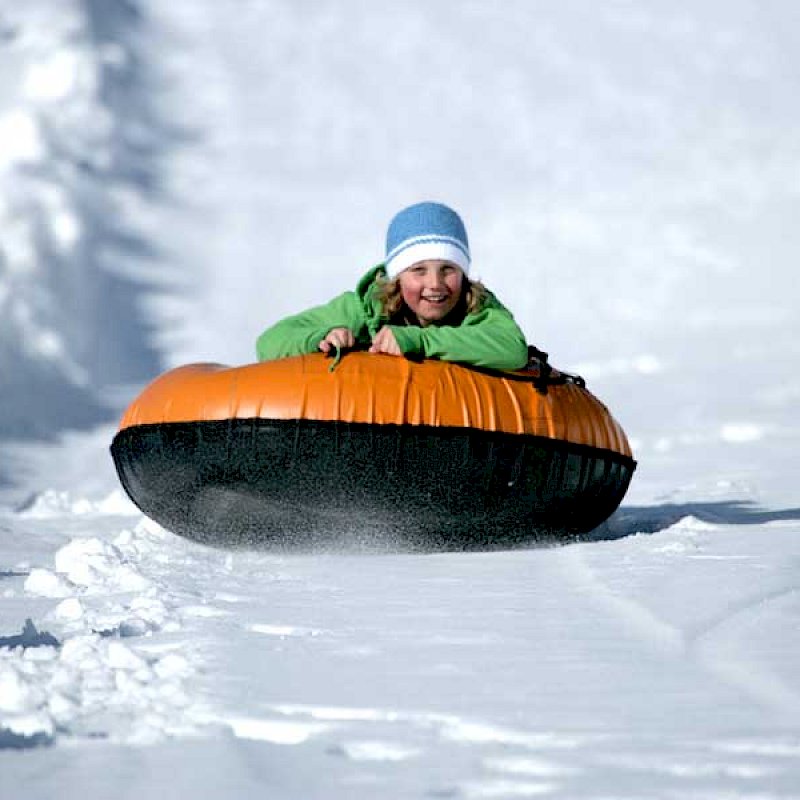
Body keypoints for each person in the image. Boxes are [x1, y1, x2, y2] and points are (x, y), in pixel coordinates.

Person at [255, 201, 529, 370]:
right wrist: (322, 337)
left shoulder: (475, 304)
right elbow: (269, 342)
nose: (435, 284)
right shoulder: (365, 308)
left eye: (448, 269)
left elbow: (511, 348)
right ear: (397, 278)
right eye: (418, 271)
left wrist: (418, 341)